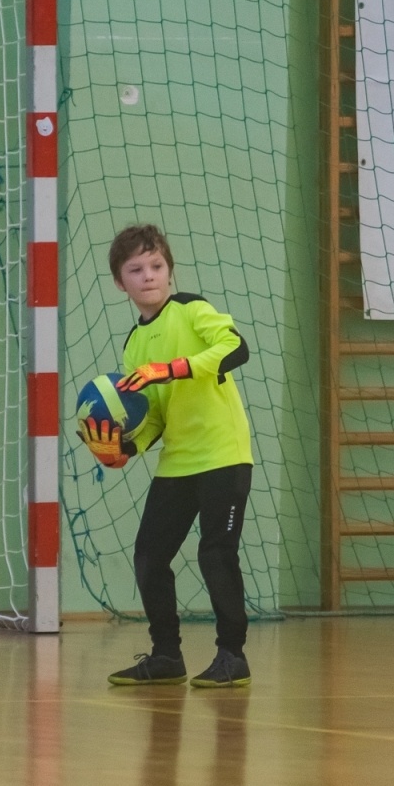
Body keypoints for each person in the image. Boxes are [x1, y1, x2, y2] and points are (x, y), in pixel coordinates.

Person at [79, 225, 255, 688]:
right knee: (149, 557)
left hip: (223, 453)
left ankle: (232, 655)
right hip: (178, 461)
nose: (148, 276)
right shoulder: (134, 344)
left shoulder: (192, 310)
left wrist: (173, 368)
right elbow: (155, 414)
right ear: (120, 283)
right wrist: (125, 450)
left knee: (216, 553)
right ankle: (166, 655)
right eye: (135, 269)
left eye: (156, 266)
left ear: (170, 272)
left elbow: (236, 347)